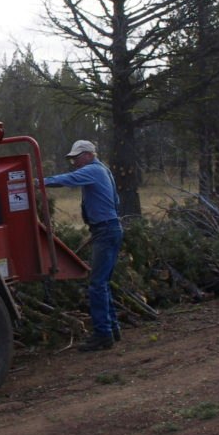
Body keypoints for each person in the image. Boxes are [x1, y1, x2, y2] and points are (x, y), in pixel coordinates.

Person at [42, 139, 123, 351]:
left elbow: (68, 179)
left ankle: (103, 335)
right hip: (107, 228)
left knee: (97, 284)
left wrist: (38, 182)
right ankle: (112, 329)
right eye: (73, 159)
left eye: (76, 158)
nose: (74, 163)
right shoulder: (104, 170)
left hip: (106, 230)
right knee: (102, 282)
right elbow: (115, 202)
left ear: (88, 154)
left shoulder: (94, 171)